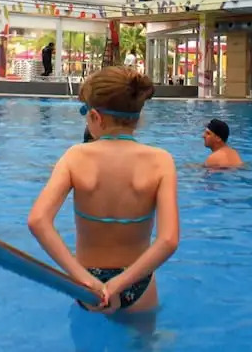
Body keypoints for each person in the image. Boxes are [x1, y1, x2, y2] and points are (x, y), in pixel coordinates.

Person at [28, 67, 178, 314]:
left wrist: (84, 279)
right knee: (143, 336)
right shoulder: (161, 161)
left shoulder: (75, 157)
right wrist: (120, 283)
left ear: (95, 117)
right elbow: (169, 240)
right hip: (137, 282)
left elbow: (37, 221)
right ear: (138, 117)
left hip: (86, 283)